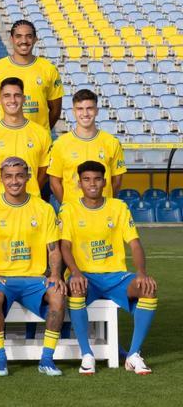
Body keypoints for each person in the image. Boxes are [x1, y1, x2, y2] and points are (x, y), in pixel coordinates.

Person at [59, 161, 157, 375]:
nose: (92, 184)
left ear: (104, 182)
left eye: (96, 179)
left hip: (116, 277)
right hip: (85, 276)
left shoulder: (118, 207)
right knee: (76, 289)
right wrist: (75, 272)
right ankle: (87, 354)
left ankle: (133, 354)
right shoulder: (69, 210)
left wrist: (141, 273)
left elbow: (135, 243)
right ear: (79, 183)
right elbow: (64, 246)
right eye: (86, 179)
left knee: (148, 289)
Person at [0, 156, 66, 377]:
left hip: (34, 279)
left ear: (28, 177)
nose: (14, 181)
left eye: (19, 176)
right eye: (8, 177)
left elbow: (53, 249)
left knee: (57, 295)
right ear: (0, 179)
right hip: (2, 278)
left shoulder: (43, 209)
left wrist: (55, 274)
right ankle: (0, 359)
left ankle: (46, 359)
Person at [0, 77, 51, 198]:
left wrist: (27, 195)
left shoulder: (41, 134)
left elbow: (43, 173)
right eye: (7, 95)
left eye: (17, 95)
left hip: (32, 207)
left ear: (24, 99)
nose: (12, 100)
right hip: (0, 208)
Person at [0, 20, 63, 130]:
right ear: (11, 39)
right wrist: (3, 133)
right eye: (18, 36)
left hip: (39, 143)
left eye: (29, 36)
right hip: (8, 141)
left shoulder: (49, 69)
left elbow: (56, 110)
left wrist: (41, 133)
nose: (24, 41)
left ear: (35, 39)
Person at [48, 89, 126, 203]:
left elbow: (117, 181)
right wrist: (68, 206)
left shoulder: (112, 142)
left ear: (97, 111)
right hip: (73, 214)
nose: (85, 114)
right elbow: (54, 182)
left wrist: (104, 204)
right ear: (74, 111)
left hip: (103, 213)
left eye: (89, 108)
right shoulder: (60, 144)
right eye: (80, 109)